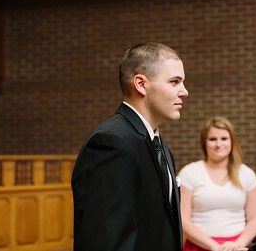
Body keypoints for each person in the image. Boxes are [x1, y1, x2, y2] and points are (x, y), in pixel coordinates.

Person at [72, 42, 189, 251]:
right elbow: (106, 240)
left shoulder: (160, 147)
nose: (184, 91)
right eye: (174, 82)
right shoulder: (111, 143)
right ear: (141, 84)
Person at [178, 116, 256, 251]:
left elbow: (255, 218)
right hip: (199, 246)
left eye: (224, 139)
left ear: (232, 142)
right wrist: (214, 246)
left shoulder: (247, 174)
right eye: (212, 139)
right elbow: (183, 219)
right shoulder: (189, 173)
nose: (218, 144)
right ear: (204, 143)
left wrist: (239, 243)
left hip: (237, 247)